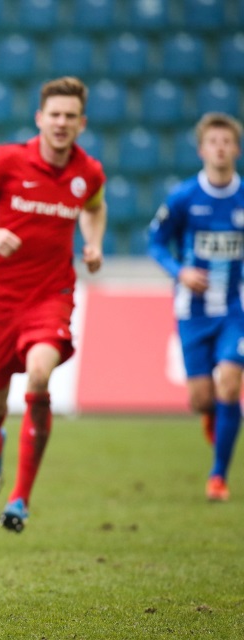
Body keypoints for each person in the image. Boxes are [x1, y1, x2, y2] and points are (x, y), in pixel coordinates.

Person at [0, 76, 107, 533]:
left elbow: (95, 206)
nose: (61, 123)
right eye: (54, 114)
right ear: (40, 118)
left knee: (39, 375)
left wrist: (93, 243)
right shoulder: (4, 160)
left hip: (51, 297)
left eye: (70, 117)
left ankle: (20, 499)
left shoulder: (88, 172)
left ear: (81, 123)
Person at [148, 112, 244, 502]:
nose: (220, 148)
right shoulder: (185, 197)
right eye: (213, 142)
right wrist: (179, 271)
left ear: (236, 149)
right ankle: (215, 416)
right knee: (202, 398)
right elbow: (155, 242)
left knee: (230, 381)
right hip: (193, 312)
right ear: (202, 149)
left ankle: (218, 475)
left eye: (227, 142)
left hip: (235, 310)